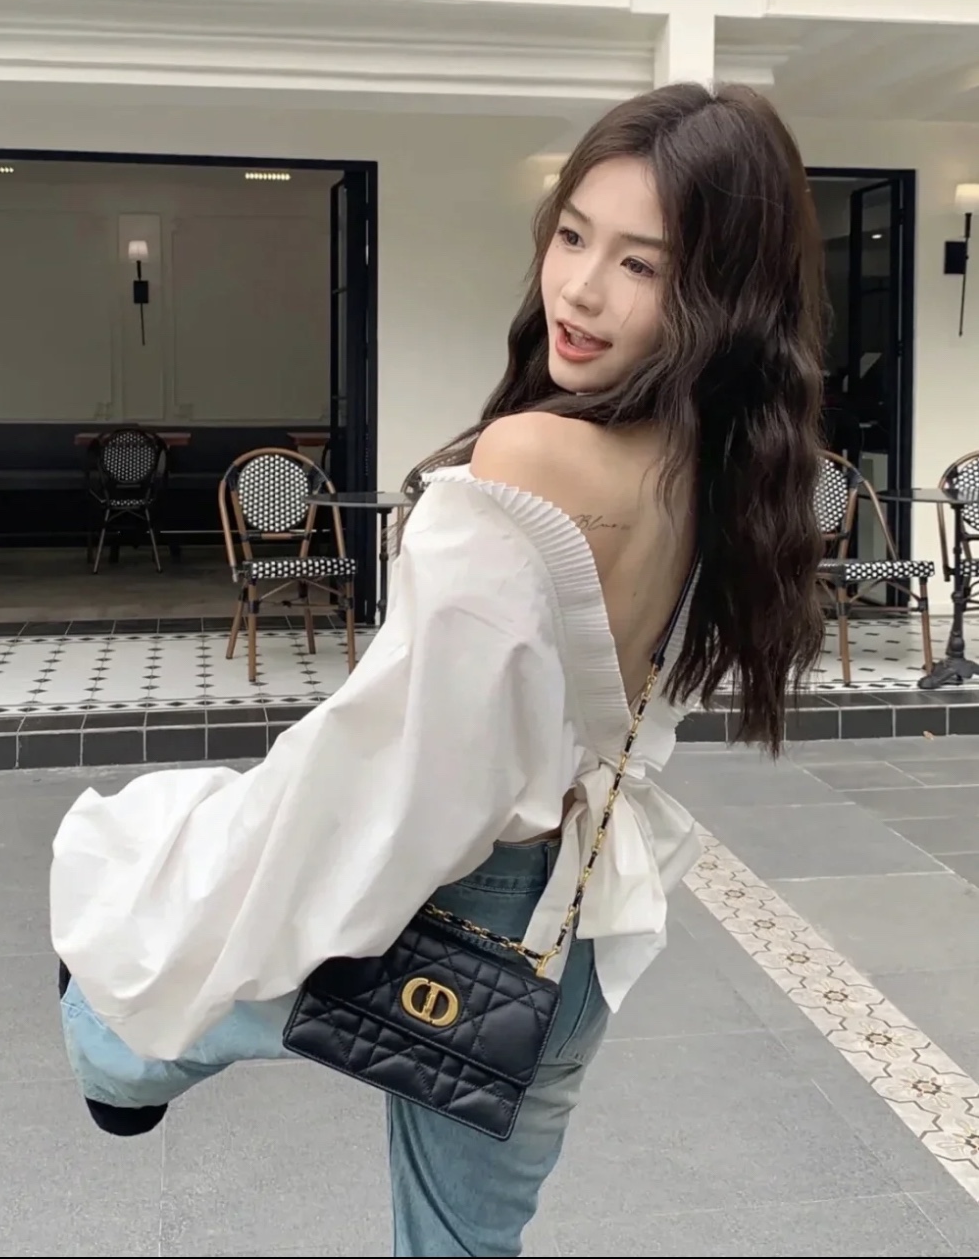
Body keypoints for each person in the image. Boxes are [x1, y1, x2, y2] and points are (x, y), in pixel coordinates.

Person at [51, 82, 826, 1258]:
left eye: (641, 265)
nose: (579, 289)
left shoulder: (532, 455)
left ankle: (111, 1054)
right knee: (463, 1246)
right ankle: (120, 1043)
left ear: (721, 293)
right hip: (572, 931)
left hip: (458, 896)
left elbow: (411, 775)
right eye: (572, 235)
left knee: (188, 950)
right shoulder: (729, 467)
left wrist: (238, 867)